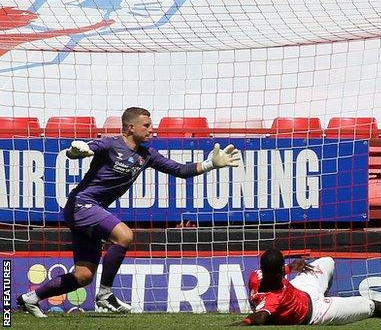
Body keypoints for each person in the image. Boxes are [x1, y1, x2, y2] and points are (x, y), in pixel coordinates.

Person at [17, 107, 241, 317]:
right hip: (81, 205)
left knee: (83, 276)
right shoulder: (110, 144)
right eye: (146, 125)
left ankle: (31, 298)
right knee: (125, 235)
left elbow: (180, 170)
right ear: (131, 127)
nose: (151, 129)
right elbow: (84, 150)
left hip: (91, 211)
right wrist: (78, 151)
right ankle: (105, 294)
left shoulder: (147, 155)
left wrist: (211, 164)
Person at [235, 249, 381, 326]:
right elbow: (260, 317)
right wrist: (239, 324)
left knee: (328, 261)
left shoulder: (257, 276)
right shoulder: (270, 297)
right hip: (316, 312)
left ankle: (327, 295)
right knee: (371, 306)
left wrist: (293, 267)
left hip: (303, 289)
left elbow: (278, 273)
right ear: (269, 272)